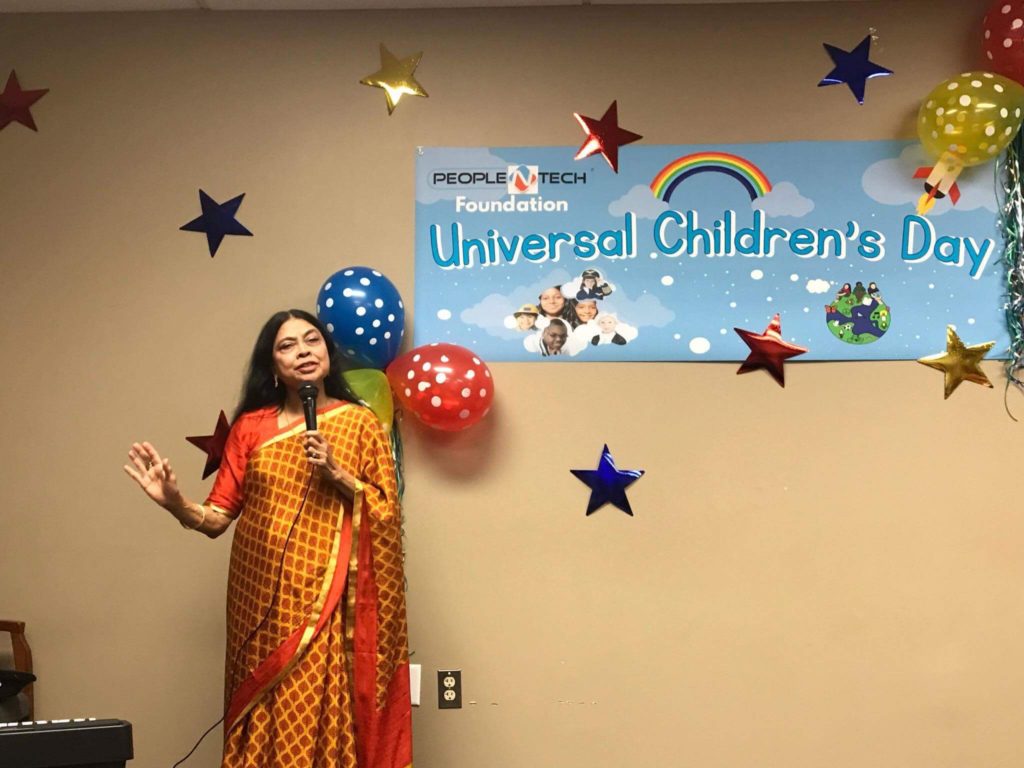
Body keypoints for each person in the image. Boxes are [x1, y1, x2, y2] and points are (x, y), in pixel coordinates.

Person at [123, 309, 412, 768]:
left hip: (330, 602)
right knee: (263, 710)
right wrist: (175, 502)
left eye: (312, 340)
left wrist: (337, 473)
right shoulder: (250, 428)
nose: (303, 352)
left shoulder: (360, 424)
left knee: (316, 707)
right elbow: (217, 518)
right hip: (260, 604)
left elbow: (386, 512)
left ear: (328, 353)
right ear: (273, 365)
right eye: (287, 346)